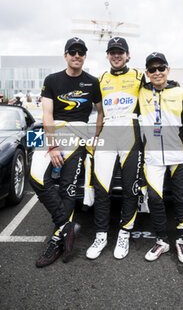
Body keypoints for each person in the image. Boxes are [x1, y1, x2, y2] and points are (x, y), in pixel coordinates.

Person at [30, 37, 103, 267]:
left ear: (85, 56)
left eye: (81, 52)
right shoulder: (52, 79)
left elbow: (101, 112)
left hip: (78, 135)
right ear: (65, 55)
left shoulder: (92, 82)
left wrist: (97, 136)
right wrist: (52, 145)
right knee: (35, 177)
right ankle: (67, 226)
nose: (77, 55)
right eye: (73, 51)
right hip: (55, 132)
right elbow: (47, 115)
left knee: (68, 189)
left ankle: (56, 240)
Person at [139, 52, 183, 264]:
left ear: (168, 70)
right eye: (152, 69)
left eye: (161, 68)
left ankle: (182, 239)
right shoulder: (141, 93)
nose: (157, 72)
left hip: (179, 156)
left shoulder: (180, 92)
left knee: (180, 197)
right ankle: (161, 240)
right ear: (147, 73)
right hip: (153, 157)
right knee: (155, 199)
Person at [86, 37, 145, 260]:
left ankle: (124, 233)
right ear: (108, 56)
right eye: (112, 52)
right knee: (101, 188)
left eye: (120, 52)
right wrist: (95, 136)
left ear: (128, 55)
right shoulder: (101, 79)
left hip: (131, 131)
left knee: (131, 188)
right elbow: (99, 112)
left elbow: (155, 92)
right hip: (108, 132)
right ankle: (101, 236)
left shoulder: (139, 75)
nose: (116, 55)